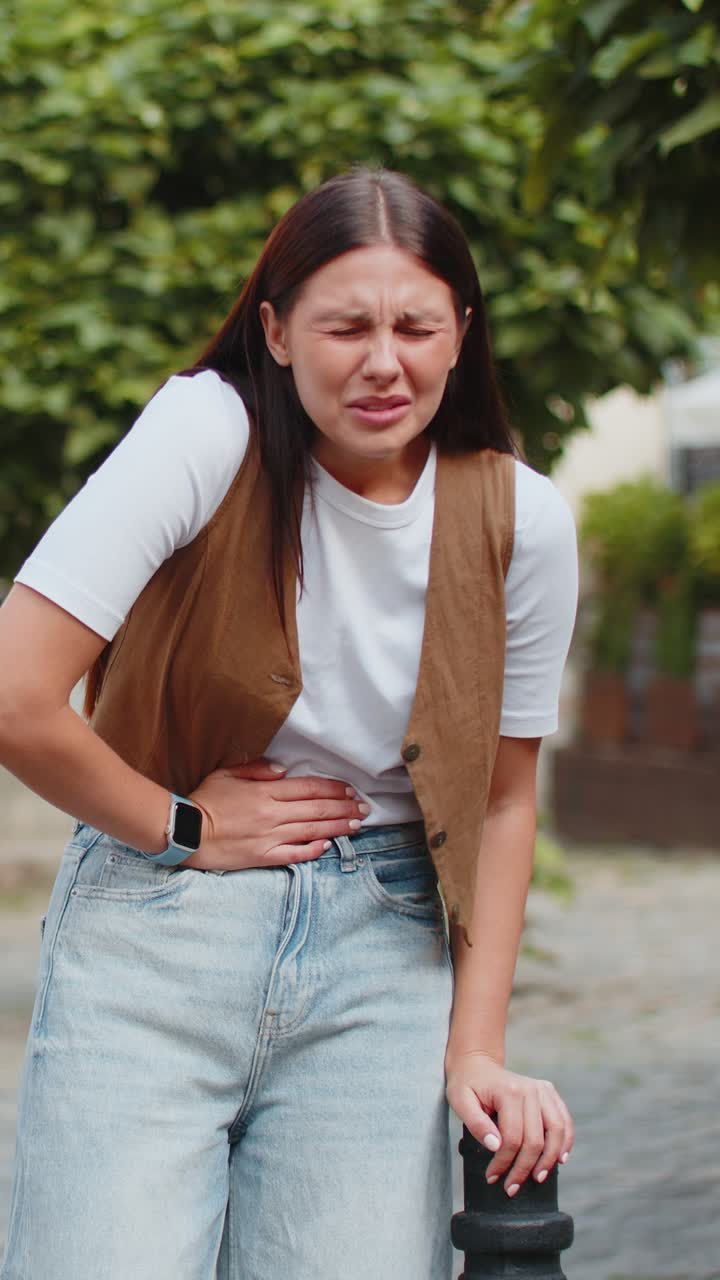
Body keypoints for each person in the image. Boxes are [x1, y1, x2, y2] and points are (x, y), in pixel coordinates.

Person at [0, 167, 577, 1280]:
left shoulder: (522, 519)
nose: (382, 361)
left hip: (384, 955)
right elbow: (17, 693)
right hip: (156, 933)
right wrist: (185, 825)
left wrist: (477, 1047)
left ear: (460, 332)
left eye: (415, 325)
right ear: (273, 330)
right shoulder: (203, 433)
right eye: (344, 325)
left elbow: (504, 797)